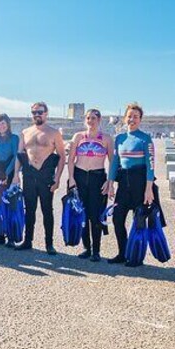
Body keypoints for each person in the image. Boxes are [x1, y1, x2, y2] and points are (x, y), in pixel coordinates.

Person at [105, 102, 165, 265]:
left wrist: (148, 189)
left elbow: (151, 166)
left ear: (140, 119)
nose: (132, 119)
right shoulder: (120, 139)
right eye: (129, 116)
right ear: (125, 118)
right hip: (124, 183)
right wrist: (110, 184)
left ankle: (137, 257)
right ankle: (122, 253)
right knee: (117, 220)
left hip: (140, 183)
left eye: (136, 117)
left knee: (138, 222)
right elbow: (115, 163)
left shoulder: (145, 139)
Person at [12, 102, 66, 255]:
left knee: (47, 210)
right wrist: (16, 174)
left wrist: (57, 178)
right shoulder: (25, 132)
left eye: (40, 112)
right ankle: (27, 241)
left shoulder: (54, 133)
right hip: (29, 174)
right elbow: (19, 154)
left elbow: (62, 157)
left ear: (46, 113)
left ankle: (49, 244)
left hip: (45, 175)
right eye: (34, 112)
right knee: (29, 210)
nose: (37, 114)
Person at [66, 109, 113, 261]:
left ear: (99, 120)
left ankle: (96, 251)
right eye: (88, 118)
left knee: (95, 215)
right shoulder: (78, 136)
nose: (90, 121)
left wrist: (109, 182)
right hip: (79, 177)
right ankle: (87, 248)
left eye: (93, 118)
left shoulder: (106, 138)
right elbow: (71, 159)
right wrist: (71, 178)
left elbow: (113, 162)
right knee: (82, 214)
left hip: (97, 177)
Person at [0, 113, 19, 246]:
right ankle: (0, 235)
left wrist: (7, 174)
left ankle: (11, 237)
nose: (1, 126)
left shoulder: (14, 138)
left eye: (3, 123)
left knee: (9, 204)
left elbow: (16, 156)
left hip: (8, 173)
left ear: (8, 124)